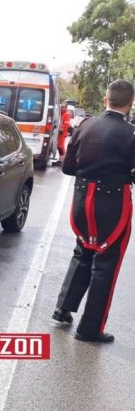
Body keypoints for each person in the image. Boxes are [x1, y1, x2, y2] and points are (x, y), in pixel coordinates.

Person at [52, 79, 135, 343]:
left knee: (82, 252)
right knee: (106, 265)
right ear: (131, 103)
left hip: (81, 202)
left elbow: (67, 167)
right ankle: (90, 328)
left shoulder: (85, 126)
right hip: (113, 205)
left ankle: (63, 308)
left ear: (105, 100)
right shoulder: (131, 133)